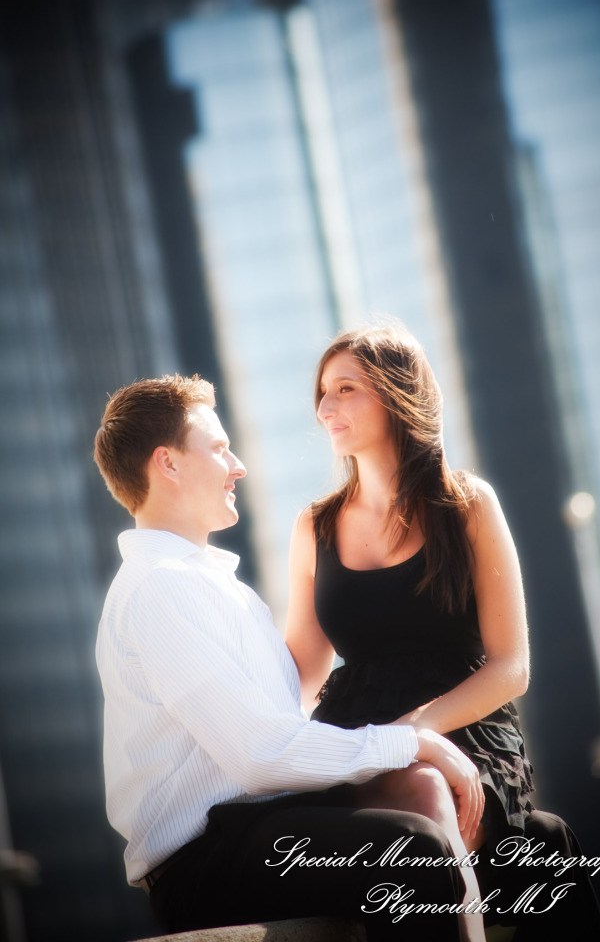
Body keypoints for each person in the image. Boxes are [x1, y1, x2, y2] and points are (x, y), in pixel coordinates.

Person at [93, 372, 491, 941]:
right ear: (169, 464)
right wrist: (414, 738)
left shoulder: (217, 587)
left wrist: (410, 758)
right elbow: (261, 754)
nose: (238, 466)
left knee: (487, 815)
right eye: (219, 448)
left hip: (264, 827)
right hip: (205, 862)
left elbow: (282, 728)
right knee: (414, 851)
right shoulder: (159, 589)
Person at [287, 323, 600, 941]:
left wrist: (411, 734)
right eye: (322, 392)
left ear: (395, 393)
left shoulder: (467, 504)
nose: (327, 407)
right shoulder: (314, 526)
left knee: (431, 788)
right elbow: (300, 667)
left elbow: (511, 666)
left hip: (466, 730)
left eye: (346, 388)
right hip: (354, 732)